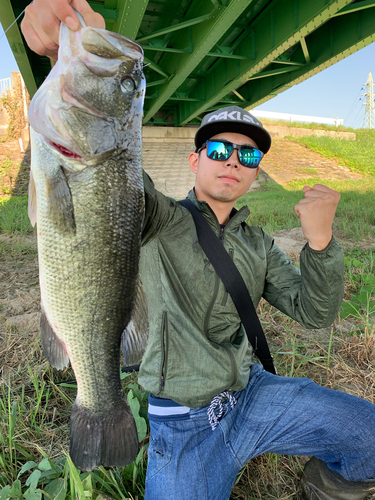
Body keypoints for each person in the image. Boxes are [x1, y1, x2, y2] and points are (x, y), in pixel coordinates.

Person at [21, 4, 375, 499]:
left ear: (255, 175)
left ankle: (325, 486)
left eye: (248, 155)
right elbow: (111, 182)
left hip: (252, 396)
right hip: (185, 429)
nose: (232, 160)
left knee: (370, 433)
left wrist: (321, 244)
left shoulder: (260, 245)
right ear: (194, 160)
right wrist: (71, 50)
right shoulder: (159, 217)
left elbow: (315, 312)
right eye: (218, 150)